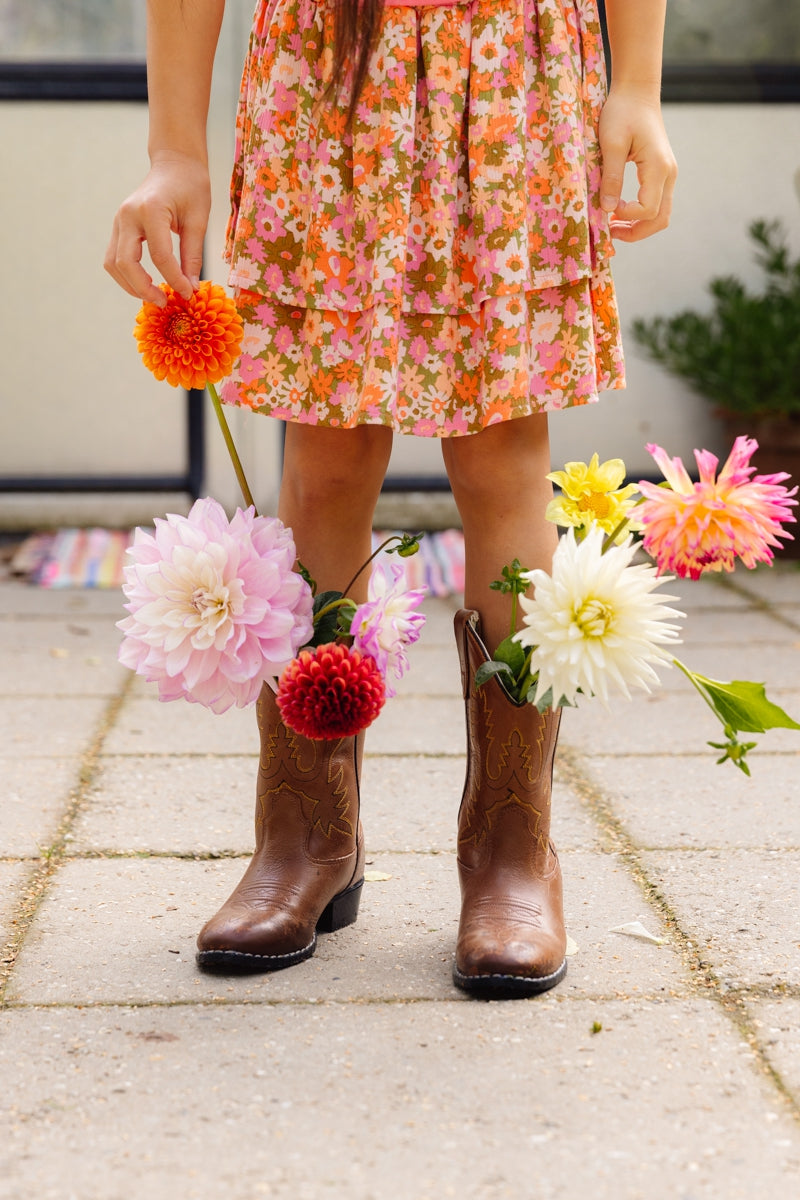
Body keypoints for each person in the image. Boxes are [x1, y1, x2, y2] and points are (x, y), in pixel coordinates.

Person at [105, 0, 676, 998]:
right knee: (322, 464)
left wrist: (636, 86)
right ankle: (306, 836)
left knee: (499, 460)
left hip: (512, 75)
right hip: (323, 74)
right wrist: (173, 148)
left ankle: (512, 848)